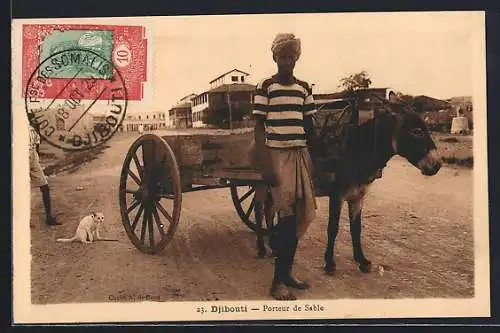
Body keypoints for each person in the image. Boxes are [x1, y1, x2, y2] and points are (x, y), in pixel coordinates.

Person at [252, 33, 318, 300]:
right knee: (288, 218)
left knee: (305, 214)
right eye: (282, 56)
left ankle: (287, 272)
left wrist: (319, 156)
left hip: (300, 155)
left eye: (291, 56)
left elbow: (310, 128)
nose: (287, 61)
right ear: (274, 57)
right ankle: (277, 283)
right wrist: (265, 163)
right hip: (277, 157)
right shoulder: (266, 86)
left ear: (297, 58)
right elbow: (259, 127)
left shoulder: (304, 88)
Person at [28, 114, 60, 226]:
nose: (36, 121)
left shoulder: (34, 131)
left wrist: (37, 160)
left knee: (45, 187)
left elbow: (37, 147)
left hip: (33, 159)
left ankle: (49, 218)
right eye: (33, 120)